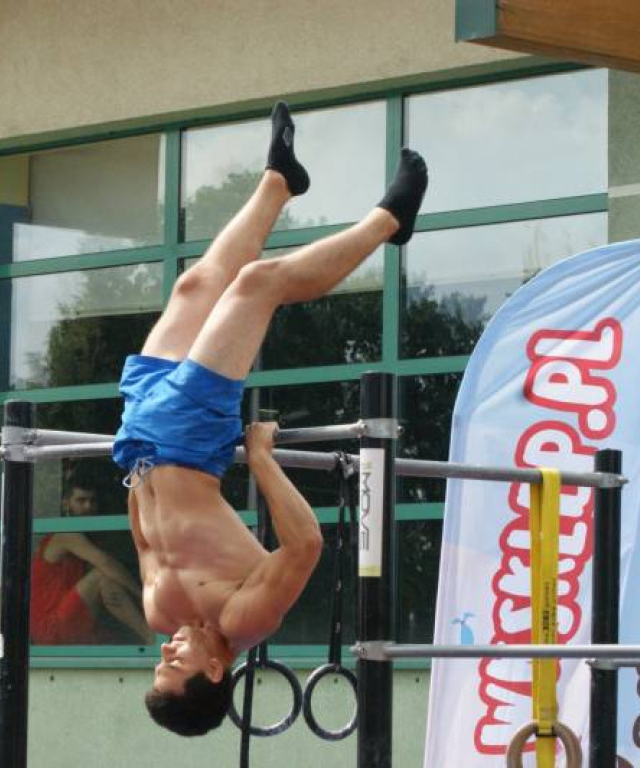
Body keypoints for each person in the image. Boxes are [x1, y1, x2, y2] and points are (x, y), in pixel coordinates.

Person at [113, 101, 428, 735]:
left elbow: (145, 532)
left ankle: (278, 182)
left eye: (160, 664)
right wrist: (258, 457)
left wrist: (135, 470)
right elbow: (305, 545)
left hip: (141, 436)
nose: (165, 652)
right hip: (190, 435)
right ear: (212, 675)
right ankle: (387, 222)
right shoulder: (243, 620)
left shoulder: (158, 611)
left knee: (194, 287)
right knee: (258, 284)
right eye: (173, 667)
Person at [30, 479, 152, 645]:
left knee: (106, 581)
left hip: (71, 622)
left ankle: (149, 637)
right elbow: (105, 563)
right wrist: (141, 595)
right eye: (81, 501)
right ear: (66, 503)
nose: (88, 507)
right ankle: (150, 637)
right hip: (50, 628)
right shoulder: (65, 533)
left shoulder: (85, 538)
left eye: (92, 501)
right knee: (102, 575)